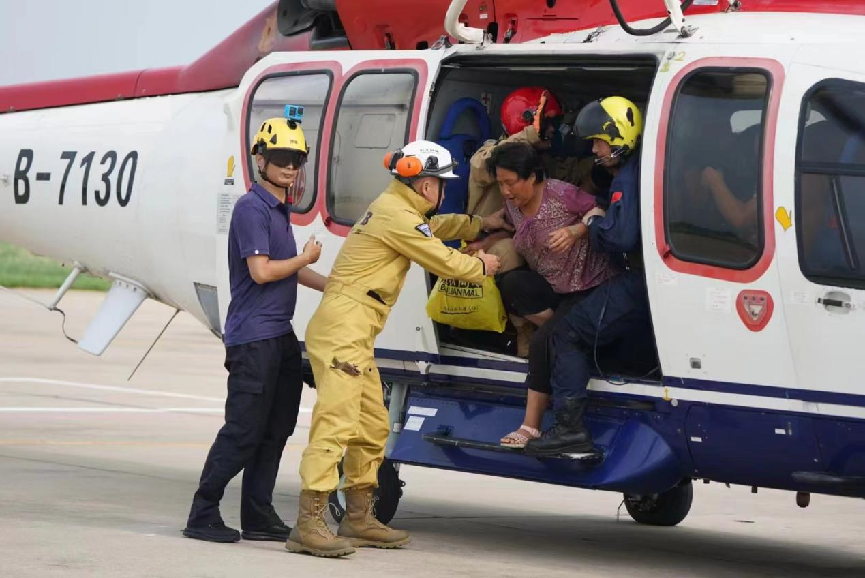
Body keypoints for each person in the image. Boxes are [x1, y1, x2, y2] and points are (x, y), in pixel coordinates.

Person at [286, 140, 505, 558]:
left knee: (371, 426)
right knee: (336, 423)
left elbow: (432, 229)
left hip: (354, 330)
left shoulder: (397, 209)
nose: (442, 192)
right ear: (426, 187)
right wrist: (483, 265)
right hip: (344, 331)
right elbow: (442, 259)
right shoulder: (397, 216)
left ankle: (358, 517)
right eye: (441, 185)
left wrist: (478, 224)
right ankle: (309, 523)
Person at [183, 114, 328, 543]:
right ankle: (202, 512)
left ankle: (257, 514)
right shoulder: (251, 209)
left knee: (278, 426)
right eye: (282, 157)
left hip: (279, 334)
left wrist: (335, 286)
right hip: (253, 338)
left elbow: (290, 272)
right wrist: (306, 259)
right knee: (244, 429)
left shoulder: (280, 210)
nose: (290, 167)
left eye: (297, 159)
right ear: (260, 159)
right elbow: (263, 272)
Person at [525, 96, 653, 456]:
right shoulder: (642, 168)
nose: (594, 148)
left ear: (619, 137)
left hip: (640, 281)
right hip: (649, 280)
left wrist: (593, 221)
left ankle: (568, 428)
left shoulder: (626, 180)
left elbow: (620, 237)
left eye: (599, 140)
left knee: (567, 333)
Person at [477, 142, 619, 448]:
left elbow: (603, 209)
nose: (505, 191)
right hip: (554, 288)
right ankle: (564, 339)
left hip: (588, 288)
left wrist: (576, 231)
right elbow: (518, 232)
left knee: (543, 341)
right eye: (500, 183)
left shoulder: (561, 194)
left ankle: (531, 426)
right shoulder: (513, 205)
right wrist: (484, 244)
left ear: (532, 177)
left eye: (510, 182)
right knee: (511, 283)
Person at [467, 87, 600, 354]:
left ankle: (564, 333)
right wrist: (528, 136)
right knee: (509, 254)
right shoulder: (491, 153)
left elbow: (570, 182)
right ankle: (524, 331)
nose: (551, 131)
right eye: (548, 124)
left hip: (528, 240)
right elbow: (482, 167)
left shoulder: (539, 162)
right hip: (490, 242)